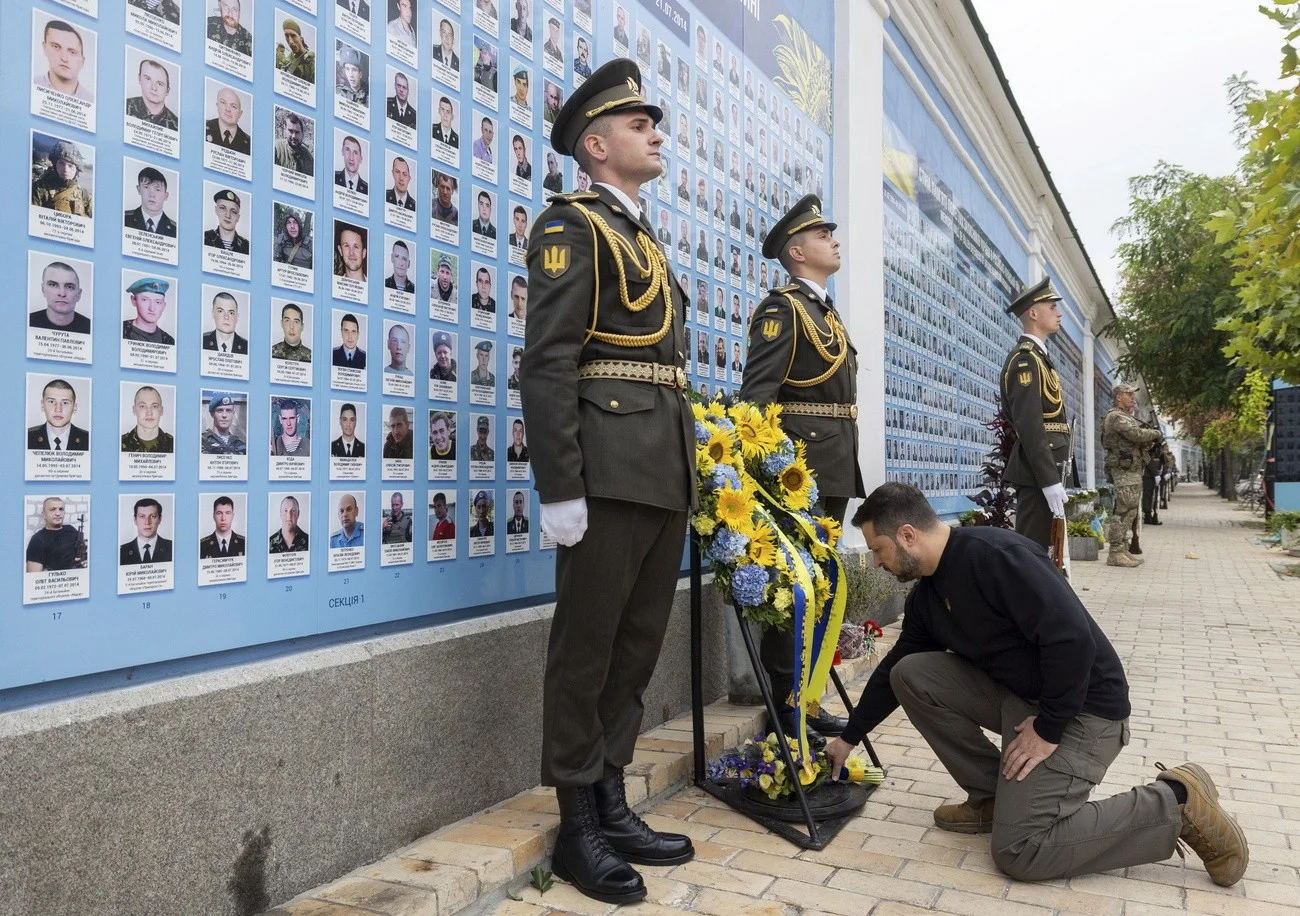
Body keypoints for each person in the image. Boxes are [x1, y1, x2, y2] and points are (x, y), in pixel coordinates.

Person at [825, 481, 1249, 888]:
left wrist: (1048, 729)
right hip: (1026, 700)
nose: (877, 563)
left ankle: (1176, 802)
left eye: (878, 550)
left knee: (1020, 850)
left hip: (1085, 711)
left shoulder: (997, 556)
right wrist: (849, 737)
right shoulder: (927, 597)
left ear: (907, 535)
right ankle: (993, 800)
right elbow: (894, 666)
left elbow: (1072, 639)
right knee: (910, 674)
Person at [520, 58, 696, 904]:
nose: (655, 134)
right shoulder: (573, 227)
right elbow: (550, 361)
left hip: (661, 465)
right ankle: (578, 825)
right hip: (606, 466)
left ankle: (612, 799)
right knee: (585, 653)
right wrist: (561, 486)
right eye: (638, 124)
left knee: (634, 650)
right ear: (596, 145)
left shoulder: (637, 232)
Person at [740, 194, 864, 747]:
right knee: (793, 588)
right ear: (797, 251)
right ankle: (784, 708)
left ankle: (805, 703)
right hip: (800, 466)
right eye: (822, 235)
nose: (833, 240)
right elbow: (758, 398)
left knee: (817, 584)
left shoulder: (822, 309)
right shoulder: (782, 309)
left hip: (831, 458)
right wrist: (773, 471)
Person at [999, 277, 1071, 553]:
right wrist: (1049, 480)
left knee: (1045, 552)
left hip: (1048, 468)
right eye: (1052, 306)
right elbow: (1030, 426)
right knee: (1031, 553)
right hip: (1037, 473)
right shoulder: (1025, 360)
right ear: (1033, 312)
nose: (1058, 312)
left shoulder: (1039, 358)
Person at [1101, 384, 1162, 568]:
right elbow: (1135, 434)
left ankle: (1122, 548)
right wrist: (1155, 433)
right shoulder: (1116, 416)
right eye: (1129, 394)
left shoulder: (1126, 416)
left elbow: (1139, 441)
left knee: (1131, 510)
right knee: (1123, 510)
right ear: (1119, 397)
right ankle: (1114, 552)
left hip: (1132, 470)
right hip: (1123, 470)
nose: (1132, 397)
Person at [37, 19, 93, 102]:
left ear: (82, 61)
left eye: (72, 52)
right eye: (56, 47)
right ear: (44, 47)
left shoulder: (91, 100)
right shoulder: (32, 84)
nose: (64, 58)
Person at [31, 141, 92, 217]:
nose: (65, 169)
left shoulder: (84, 195)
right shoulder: (40, 189)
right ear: (55, 164)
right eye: (61, 163)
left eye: (70, 165)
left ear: (77, 169)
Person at [25, 497, 86, 571]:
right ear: (44, 514)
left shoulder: (71, 529)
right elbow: (34, 577)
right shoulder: (38, 539)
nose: (58, 513)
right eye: (52, 509)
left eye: (61, 509)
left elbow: (82, 550)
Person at [27, 378, 89, 451]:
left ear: (74, 407)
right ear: (42, 405)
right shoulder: (27, 437)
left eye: (65, 403)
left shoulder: (88, 440)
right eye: (51, 402)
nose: (58, 409)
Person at [30, 261, 90, 334]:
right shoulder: (28, 321)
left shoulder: (90, 327)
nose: (62, 294)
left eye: (69, 287)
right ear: (43, 290)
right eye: (53, 285)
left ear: (79, 294)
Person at [124, 167, 177, 237]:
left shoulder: (175, 230)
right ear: (139, 189)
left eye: (157, 189)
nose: (152, 195)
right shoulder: (124, 219)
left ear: (166, 196)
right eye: (146, 187)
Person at [126, 59, 178, 129]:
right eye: (148, 79)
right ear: (139, 78)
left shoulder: (176, 125)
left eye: (160, 84)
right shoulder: (125, 106)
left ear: (167, 90)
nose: (154, 88)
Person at [123, 277, 175, 345]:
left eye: (158, 302)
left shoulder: (169, 341)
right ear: (134, 300)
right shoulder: (120, 330)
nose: (152, 308)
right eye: (144, 300)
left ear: (163, 306)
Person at [121, 385, 173, 454]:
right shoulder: (120, 443)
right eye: (142, 406)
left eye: (154, 406)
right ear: (134, 410)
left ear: (161, 410)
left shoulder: (173, 444)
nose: (149, 413)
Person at [120, 498, 172, 565]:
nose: (147, 522)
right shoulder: (122, 551)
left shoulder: (172, 548)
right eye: (142, 516)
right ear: (135, 520)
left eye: (153, 516)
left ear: (160, 519)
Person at [206, 87, 251, 154]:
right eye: (223, 102)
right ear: (217, 106)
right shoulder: (203, 127)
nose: (228, 109)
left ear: (240, 114)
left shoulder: (249, 143)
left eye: (233, 106)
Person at [203, 189, 249, 254]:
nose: (228, 215)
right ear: (216, 210)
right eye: (223, 208)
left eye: (233, 211)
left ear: (238, 217)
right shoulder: (204, 238)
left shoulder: (247, 246)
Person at [276, 18, 315, 83]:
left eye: (293, 36)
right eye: (287, 36)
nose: (290, 41)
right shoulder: (286, 61)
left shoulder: (312, 61)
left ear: (301, 39)